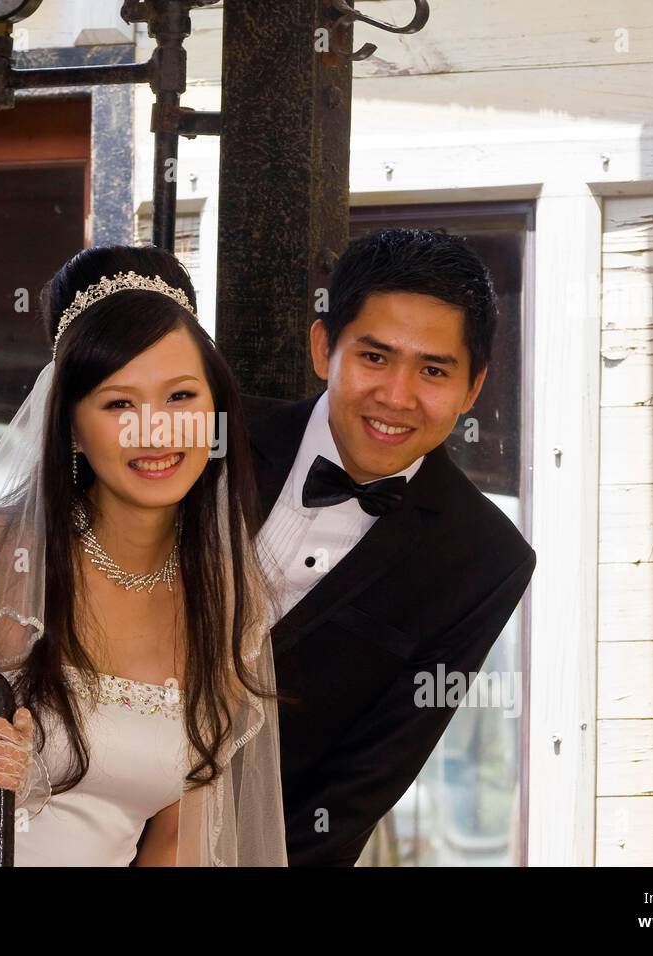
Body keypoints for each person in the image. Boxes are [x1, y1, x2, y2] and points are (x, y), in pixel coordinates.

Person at [0, 245, 287, 866]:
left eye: (181, 397)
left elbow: (178, 838)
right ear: (71, 427)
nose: (155, 430)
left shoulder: (228, 605)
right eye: (119, 404)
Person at [244, 227, 537, 866]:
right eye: (374, 357)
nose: (397, 397)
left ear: (472, 389)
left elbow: (370, 775)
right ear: (324, 348)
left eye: (433, 370)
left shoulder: (484, 559)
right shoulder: (215, 438)